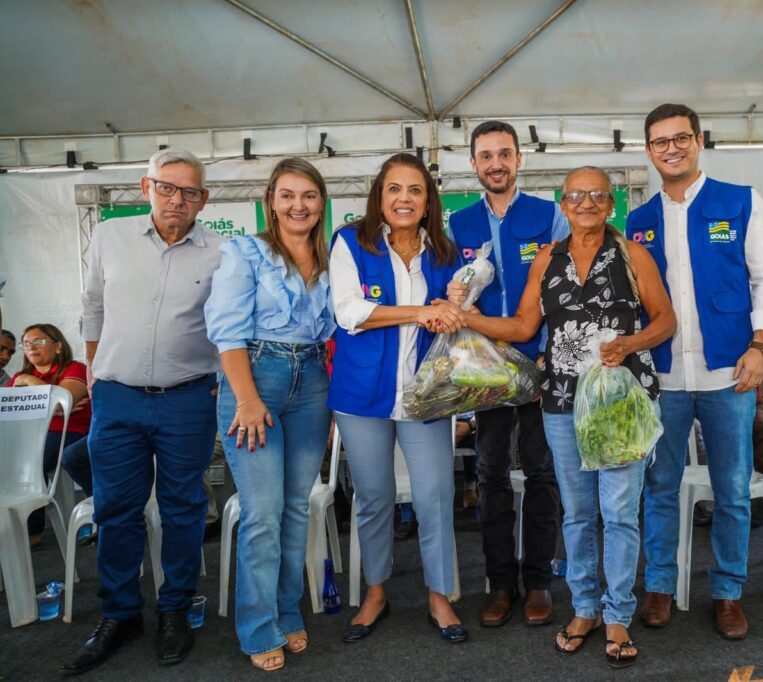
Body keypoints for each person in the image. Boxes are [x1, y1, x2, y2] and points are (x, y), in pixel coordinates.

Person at [463, 166, 675, 668]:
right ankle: (584, 607)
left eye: (597, 195)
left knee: (620, 513)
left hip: (621, 402)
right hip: (561, 402)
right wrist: (467, 318)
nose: (586, 203)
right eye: (576, 196)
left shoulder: (632, 253)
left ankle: (618, 611)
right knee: (577, 514)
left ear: (610, 205)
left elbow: (666, 320)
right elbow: (521, 325)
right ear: (562, 205)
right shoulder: (546, 260)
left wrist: (630, 342)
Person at [629, 103, 763, 639]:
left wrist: (760, 344)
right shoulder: (638, 219)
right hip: (664, 378)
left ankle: (727, 592)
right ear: (648, 151)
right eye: (659, 141)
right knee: (660, 487)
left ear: (699, 141)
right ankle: (659, 587)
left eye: (680, 138)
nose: (670, 148)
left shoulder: (740, 202)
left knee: (732, 489)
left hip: (730, 374)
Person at [62, 149, 222, 676]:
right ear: (144, 186)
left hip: (188, 398)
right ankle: (120, 613)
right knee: (116, 510)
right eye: (167, 187)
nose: (178, 199)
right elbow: (92, 307)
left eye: (190, 191)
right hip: (117, 397)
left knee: (183, 509)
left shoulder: (222, 251)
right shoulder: (110, 237)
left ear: (204, 199)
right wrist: (94, 371)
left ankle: (173, 609)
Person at [329, 152, 469, 643]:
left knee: (435, 495)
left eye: (415, 190)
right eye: (395, 189)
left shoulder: (445, 252)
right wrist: (420, 312)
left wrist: (453, 304)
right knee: (373, 498)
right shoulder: (350, 241)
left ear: (428, 200)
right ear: (379, 196)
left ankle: (439, 594)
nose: (404, 199)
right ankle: (375, 592)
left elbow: (460, 310)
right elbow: (350, 312)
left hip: (426, 395)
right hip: (360, 395)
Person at [205, 157, 335, 671]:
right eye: (287, 195)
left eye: (308, 195)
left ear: (321, 203)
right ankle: (258, 627)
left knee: (296, 507)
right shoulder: (246, 252)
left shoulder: (330, 258)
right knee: (262, 512)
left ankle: (286, 610)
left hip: (312, 383)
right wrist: (247, 398)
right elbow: (226, 333)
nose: (298, 205)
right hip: (255, 378)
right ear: (271, 202)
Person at [447, 120, 569, 627]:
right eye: (485, 155)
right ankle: (500, 584)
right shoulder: (456, 224)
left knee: (542, 474)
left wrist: (550, 357)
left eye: (504, 154)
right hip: (484, 371)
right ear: (473, 164)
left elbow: (567, 293)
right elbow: (446, 292)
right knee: (490, 475)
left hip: (539, 365)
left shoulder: (550, 216)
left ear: (519, 160)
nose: (495, 163)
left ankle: (538, 582)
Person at [7, 324, 92, 546]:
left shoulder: (75, 369)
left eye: (39, 341)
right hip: (32, 434)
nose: (31, 347)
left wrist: (29, 383)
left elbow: (62, 405)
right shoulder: (18, 376)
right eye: (26, 343)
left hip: (72, 432)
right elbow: (8, 412)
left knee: (31, 459)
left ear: (58, 346)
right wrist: (53, 400)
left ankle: (31, 531)